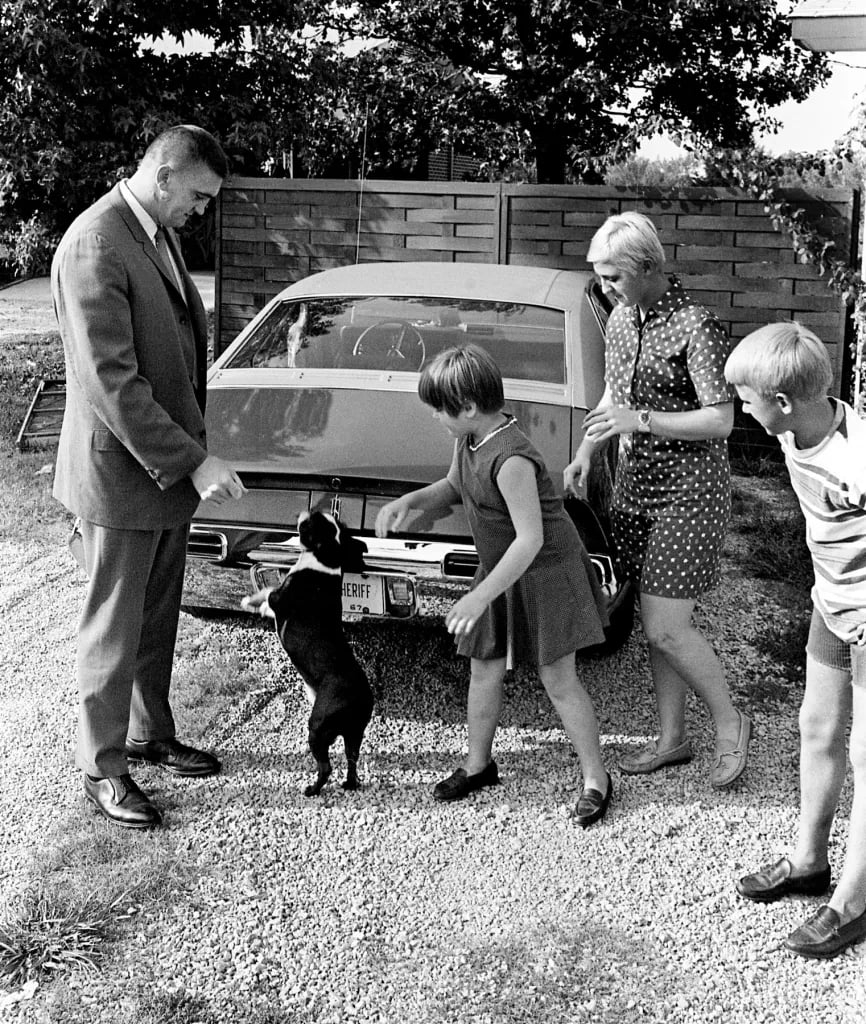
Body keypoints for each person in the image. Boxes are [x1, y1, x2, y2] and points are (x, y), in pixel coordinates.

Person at [52, 124, 247, 830]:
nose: (202, 210)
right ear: (163, 176)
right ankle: (102, 768)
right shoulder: (95, 243)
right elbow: (114, 384)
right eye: (198, 195)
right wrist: (193, 460)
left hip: (161, 476)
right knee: (113, 627)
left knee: (157, 616)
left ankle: (148, 733)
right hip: (121, 477)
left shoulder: (156, 232)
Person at [375, 344, 613, 826]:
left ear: (467, 407)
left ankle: (597, 778)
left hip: (545, 573)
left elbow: (530, 539)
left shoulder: (511, 459)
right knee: (483, 667)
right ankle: (478, 764)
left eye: (440, 409)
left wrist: (477, 595)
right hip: (502, 567)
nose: (436, 417)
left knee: (558, 678)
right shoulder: (470, 439)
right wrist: (410, 501)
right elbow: (454, 485)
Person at [564, 211, 750, 789]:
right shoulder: (621, 318)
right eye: (600, 277)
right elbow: (612, 396)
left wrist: (640, 420)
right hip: (636, 489)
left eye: (613, 276)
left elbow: (720, 420)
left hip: (690, 494)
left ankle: (731, 721)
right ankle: (673, 739)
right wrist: (587, 452)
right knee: (653, 623)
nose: (604, 288)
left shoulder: (696, 324)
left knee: (668, 626)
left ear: (647, 267)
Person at [725, 322, 866, 959]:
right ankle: (810, 862)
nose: (740, 409)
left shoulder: (856, 462)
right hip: (831, 605)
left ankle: (853, 902)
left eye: (746, 399)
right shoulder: (795, 431)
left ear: (782, 403)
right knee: (816, 728)